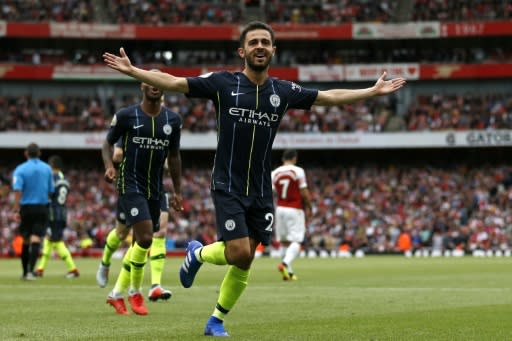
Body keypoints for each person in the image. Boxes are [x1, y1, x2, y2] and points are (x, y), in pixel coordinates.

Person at [102, 20, 406, 335]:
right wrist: (134, 71)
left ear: (273, 50)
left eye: (265, 42)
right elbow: (174, 82)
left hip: (261, 190)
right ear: (242, 50)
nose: (259, 46)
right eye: (253, 42)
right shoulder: (222, 84)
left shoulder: (283, 90)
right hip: (228, 184)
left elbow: (328, 97)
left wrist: (372, 91)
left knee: (246, 261)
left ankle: (216, 319)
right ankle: (198, 253)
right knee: (238, 252)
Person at [101, 70, 183, 316]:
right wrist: (108, 167)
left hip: (155, 188)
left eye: (159, 81)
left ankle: (116, 293)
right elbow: (107, 143)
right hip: (130, 184)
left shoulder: (173, 120)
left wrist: (177, 191)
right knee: (147, 238)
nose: (154, 85)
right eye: (149, 80)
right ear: (142, 86)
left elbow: (175, 156)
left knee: (141, 242)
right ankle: (135, 292)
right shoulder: (127, 115)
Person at [96, 142, 173, 302]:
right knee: (122, 233)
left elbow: (169, 160)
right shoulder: (131, 123)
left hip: (155, 186)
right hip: (131, 186)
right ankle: (105, 263)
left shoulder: (165, 123)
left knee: (157, 233)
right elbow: (116, 154)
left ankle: (154, 285)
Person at [11, 143, 54, 280]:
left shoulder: (20, 169)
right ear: (39, 153)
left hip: (26, 207)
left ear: (26, 153)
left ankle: (25, 272)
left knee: (26, 239)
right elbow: (51, 190)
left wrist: (16, 209)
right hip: (42, 206)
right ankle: (31, 271)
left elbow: (17, 190)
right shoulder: (47, 169)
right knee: (36, 238)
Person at [34, 155, 80, 278]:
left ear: (51, 166)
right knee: (49, 240)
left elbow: (47, 196)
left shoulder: (51, 178)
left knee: (56, 241)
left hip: (52, 214)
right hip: (62, 213)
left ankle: (73, 269)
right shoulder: (64, 179)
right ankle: (40, 269)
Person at [271, 149, 312, 281]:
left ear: (283, 159)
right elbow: (304, 192)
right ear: (294, 158)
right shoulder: (298, 171)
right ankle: (284, 264)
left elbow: (272, 192)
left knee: (284, 243)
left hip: (280, 209)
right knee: (296, 241)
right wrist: (310, 206)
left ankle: (288, 273)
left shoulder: (274, 173)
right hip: (295, 208)